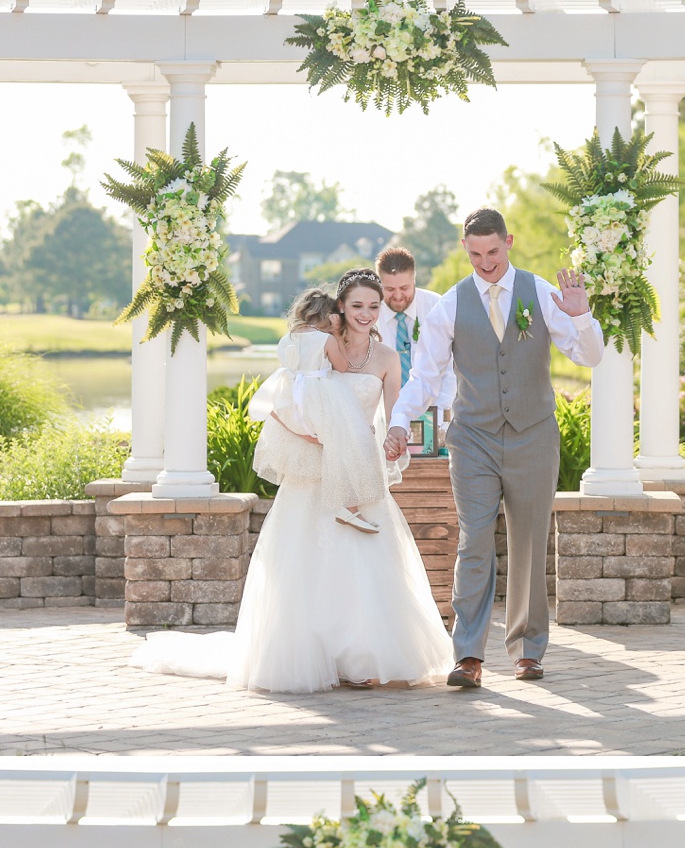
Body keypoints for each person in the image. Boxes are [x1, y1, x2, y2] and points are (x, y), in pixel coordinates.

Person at [134, 268, 453, 694]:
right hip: (310, 470)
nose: (366, 314)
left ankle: (362, 657)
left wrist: (397, 436)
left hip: (357, 470)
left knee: (364, 562)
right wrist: (312, 434)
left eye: (374, 307)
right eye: (357, 305)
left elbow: (395, 412)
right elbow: (282, 401)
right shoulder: (315, 349)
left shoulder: (388, 359)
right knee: (308, 562)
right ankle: (312, 655)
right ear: (341, 307)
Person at [384, 207, 605, 689]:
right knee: (475, 539)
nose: (485, 263)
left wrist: (581, 312)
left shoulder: (544, 293)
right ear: (466, 250)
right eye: (475, 254)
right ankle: (468, 655)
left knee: (529, 542)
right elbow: (426, 376)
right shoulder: (450, 306)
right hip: (475, 438)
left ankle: (528, 650)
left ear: (509, 242)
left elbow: (590, 355)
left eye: (493, 251)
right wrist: (400, 420)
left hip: (533, 435)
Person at [251, 286, 387, 534]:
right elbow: (343, 366)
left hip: (294, 397)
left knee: (315, 447)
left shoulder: (286, 340)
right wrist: (335, 333)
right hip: (323, 397)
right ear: (329, 315)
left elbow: (288, 371)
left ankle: (340, 506)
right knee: (346, 442)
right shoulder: (326, 338)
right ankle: (349, 506)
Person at [375, 245, 455, 418]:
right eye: (389, 289)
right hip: (384, 414)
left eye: (404, 288)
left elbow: (449, 367)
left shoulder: (436, 306)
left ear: (414, 280)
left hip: (433, 410)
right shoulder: (371, 314)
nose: (397, 296)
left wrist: (439, 416)